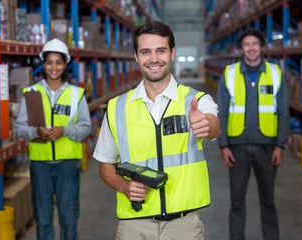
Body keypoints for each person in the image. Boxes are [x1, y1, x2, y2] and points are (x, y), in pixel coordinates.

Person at [93, 20, 220, 240]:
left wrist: (206, 125)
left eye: (160, 51)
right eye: (145, 52)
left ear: (172, 53)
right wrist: (123, 186)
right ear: (136, 56)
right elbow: (105, 163)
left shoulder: (196, 100)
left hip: (184, 226)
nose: (153, 59)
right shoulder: (116, 108)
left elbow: (213, 127)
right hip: (135, 225)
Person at [14, 38, 91, 240]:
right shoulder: (31, 93)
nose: (54, 67)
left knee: (69, 217)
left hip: (68, 165)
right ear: (43, 64)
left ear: (65, 65)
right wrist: (35, 133)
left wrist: (64, 130)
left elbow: (85, 128)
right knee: (43, 217)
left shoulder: (76, 94)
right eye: (49, 62)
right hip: (40, 166)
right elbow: (19, 127)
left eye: (58, 62)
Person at [217, 28, 289, 240]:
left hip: (267, 148)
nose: (251, 48)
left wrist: (280, 145)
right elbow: (221, 112)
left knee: (268, 201)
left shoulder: (275, 73)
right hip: (236, 148)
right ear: (241, 49)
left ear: (262, 47)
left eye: (255, 44)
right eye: (246, 45)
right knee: (236, 202)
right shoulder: (229, 74)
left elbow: (283, 111)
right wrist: (223, 146)